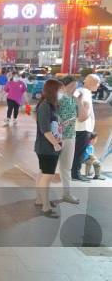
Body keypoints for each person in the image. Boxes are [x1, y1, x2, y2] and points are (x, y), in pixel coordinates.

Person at [34, 78, 64, 217]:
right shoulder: (45, 106)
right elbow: (45, 130)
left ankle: (40, 200)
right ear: (53, 90)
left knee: (43, 173)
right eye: (60, 90)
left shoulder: (52, 105)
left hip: (48, 146)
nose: (62, 92)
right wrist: (56, 144)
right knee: (47, 176)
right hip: (47, 148)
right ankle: (45, 207)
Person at [57, 76, 88, 204]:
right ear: (63, 85)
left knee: (66, 167)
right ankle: (42, 195)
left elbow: (83, 117)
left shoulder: (73, 99)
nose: (74, 89)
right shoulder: (58, 97)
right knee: (47, 168)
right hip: (55, 138)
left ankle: (66, 194)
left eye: (75, 86)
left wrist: (79, 100)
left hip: (70, 136)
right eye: (71, 86)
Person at [72, 74, 102, 182]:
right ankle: (75, 173)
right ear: (92, 82)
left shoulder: (87, 93)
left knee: (80, 151)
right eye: (98, 83)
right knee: (79, 152)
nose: (98, 86)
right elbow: (74, 96)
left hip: (85, 127)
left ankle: (75, 172)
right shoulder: (81, 90)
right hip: (81, 127)